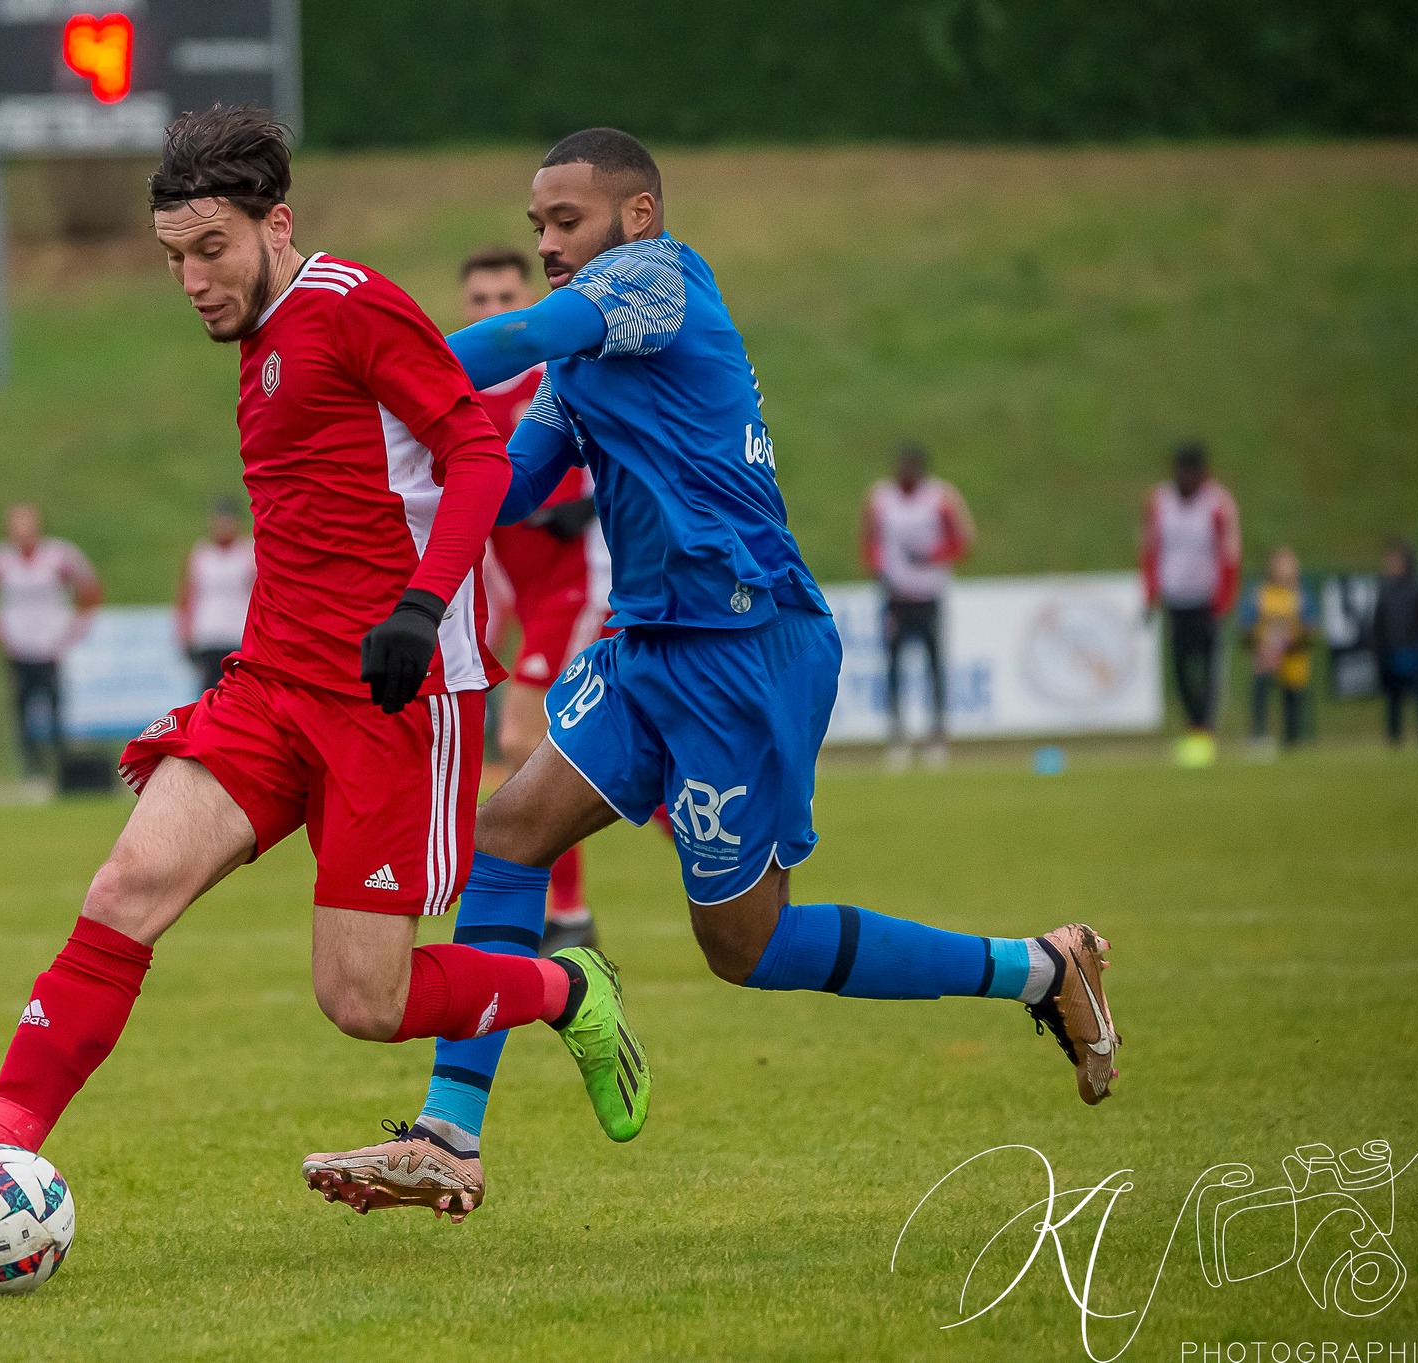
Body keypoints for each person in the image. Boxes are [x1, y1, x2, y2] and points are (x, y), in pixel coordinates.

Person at [0, 107, 649, 1228]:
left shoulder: (353, 305)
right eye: (173, 259)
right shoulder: (259, 340)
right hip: (269, 686)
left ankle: (569, 986)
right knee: (124, 889)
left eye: (208, 250)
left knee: (362, 998)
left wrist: (419, 605)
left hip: (390, 699)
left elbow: (471, 448)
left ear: (278, 227)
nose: (191, 281)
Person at [303, 128, 1121, 1221]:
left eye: (564, 221)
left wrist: (356, 366)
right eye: (536, 223)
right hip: (649, 650)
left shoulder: (653, 281)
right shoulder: (581, 370)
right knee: (506, 837)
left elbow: (527, 330)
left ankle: (1038, 966)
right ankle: (451, 1134)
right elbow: (507, 487)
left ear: (634, 215)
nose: (545, 241)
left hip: (747, 654)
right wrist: (362, 509)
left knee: (745, 946)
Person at [461, 245, 609, 954]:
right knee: (587, 751)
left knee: (524, 737)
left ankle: (567, 911)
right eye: (480, 301)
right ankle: (715, 838)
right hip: (522, 593)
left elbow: (625, 456)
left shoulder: (562, 376)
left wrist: (587, 510)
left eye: (505, 298)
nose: (494, 311)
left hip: (581, 585)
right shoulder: (459, 398)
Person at [0, 505, 103, 789]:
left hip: (50, 645)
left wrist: (74, 628)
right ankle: (29, 767)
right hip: (18, 646)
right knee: (21, 707)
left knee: (55, 705)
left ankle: (61, 767)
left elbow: (89, 587)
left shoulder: (59, 556)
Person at [860, 442, 974, 771]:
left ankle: (936, 737)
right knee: (893, 668)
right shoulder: (880, 498)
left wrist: (932, 556)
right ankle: (897, 738)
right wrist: (879, 570)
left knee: (934, 667)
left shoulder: (941, 498)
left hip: (929, 596)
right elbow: (870, 540)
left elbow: (964, 540)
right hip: (895, 598)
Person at [1140, 442, 1241, 767]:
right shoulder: (1160, 501)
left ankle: (1205, 729)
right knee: (1182, 668)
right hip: (1176, 598)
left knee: (1210, 666)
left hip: (1206, 600)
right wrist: (1151, 594)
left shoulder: (1218, 504)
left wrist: (1223, 600)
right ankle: (1193, 726)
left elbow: (1229, 554)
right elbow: (1150, 549)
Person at [1237, 546, 1314, 757]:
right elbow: (1245, 626)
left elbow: (1311, 628)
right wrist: (1261, 647)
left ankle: (1294, 740)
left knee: (1294, 696)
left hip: (1293, 656)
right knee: (1260, 688)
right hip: (1266, 655)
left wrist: (1291, 643)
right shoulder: (1259, 594)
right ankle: (1258, 735)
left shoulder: (1301, 595)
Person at [175, 496, 254, 694]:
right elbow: (188, 596)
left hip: (239, 636)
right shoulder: (201, 554)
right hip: (209, 637)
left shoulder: (247, 552)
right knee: (209, 694)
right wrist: (184, 635)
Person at [1371, 539, 1418, 754]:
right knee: (1394, 701)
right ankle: (1394, 741)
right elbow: (1379, 625)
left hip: (1417, 653)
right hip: (1392, 654)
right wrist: (1380, 653)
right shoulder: (1386, 591)